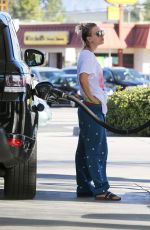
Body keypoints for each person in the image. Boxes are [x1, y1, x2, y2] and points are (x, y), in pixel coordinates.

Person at [75, 23, 121, 201]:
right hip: (91, 108)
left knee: (85, 149)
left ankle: (84, 187)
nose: (102, 35)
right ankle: (101, 189)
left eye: (102, 32)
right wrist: (92, 99)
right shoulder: (87, 56)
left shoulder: (88, 55)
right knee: (98, 150)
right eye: (98, 33)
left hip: (90, 108)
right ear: (89, 38)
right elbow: (83, 78)